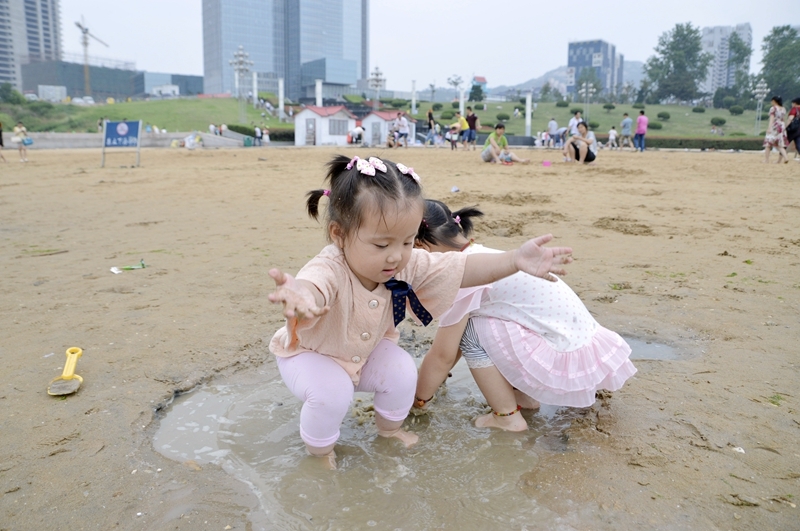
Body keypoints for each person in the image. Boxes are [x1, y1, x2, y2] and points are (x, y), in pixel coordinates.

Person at [267, 154, 573, 466]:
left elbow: (462, 267)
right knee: (332, 393)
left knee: (402, 371)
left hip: (364, 353)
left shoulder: (407, 264)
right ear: (339, 235)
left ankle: (389, 431)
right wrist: (301, 295)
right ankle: (319, 453)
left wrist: (513, 261)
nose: (395, 257)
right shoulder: (330, 266)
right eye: (381, 245)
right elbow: (312, 286)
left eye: (408, 242)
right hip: (311, 355)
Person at [413, 200, 635, 429]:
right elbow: (449, 348)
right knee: (475, 327)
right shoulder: (480, 256)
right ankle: (524, 398)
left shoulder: (459, 275)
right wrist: (432, 385)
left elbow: (443, 355)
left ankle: (507, 417)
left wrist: (417, 402)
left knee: (472, 330)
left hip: (560, 353)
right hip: (576, 341)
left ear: (420, 247)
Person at [764, 96, 789, 164]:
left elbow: (772, 118)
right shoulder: (783, 109)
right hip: (781, 126)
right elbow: (783, 118)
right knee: (780, 144)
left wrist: (769, 128)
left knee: (768, 144)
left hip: (775, 126)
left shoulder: (773, 108)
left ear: (774, 101)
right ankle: (786, 157)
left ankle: (766, 160)